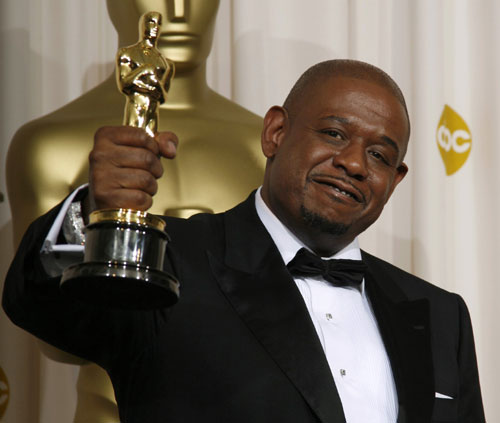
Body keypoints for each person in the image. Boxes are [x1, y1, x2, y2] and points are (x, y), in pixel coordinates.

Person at [3, 60, 485, 423]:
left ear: (395, 180)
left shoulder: (440, 315)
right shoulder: (172, 258)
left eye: (379, 155)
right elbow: (38, 304)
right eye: (334, 133)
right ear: (275, 132)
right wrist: (90, 207)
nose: (355, 163)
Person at [6, 0, 264, 420]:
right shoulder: (49, 144)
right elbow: (53, 335)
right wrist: (90, 212)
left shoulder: (265, 147)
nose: (179, 9)